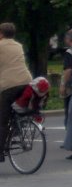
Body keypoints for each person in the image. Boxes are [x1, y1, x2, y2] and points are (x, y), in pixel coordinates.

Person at [0, 22, 32, 162]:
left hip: (9, 85)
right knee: (12, 112)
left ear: (1, 34)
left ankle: (0, 152)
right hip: (26, 82)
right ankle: (16, 128)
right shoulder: (18, 46)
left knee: (1, 121)